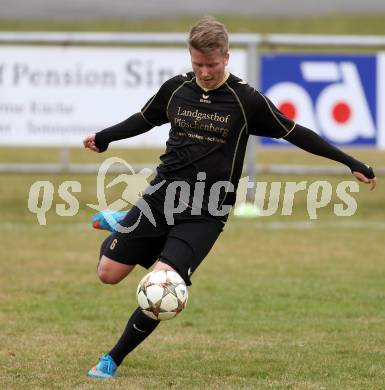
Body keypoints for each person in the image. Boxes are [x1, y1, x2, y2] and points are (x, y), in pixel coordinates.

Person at [83, 16, 376, 378]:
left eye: (211, 64)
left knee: (163, 286)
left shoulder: (245, 99)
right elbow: (145, 118)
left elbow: (296, 133)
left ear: (226, 56)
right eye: (198, 64)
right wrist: (105, 136)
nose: (204, 72)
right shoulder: (176, 89)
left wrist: (349, 162)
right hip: (161, 197)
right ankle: (125, 221)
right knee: (108, 274)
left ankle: (113, 358)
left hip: (206, 212)